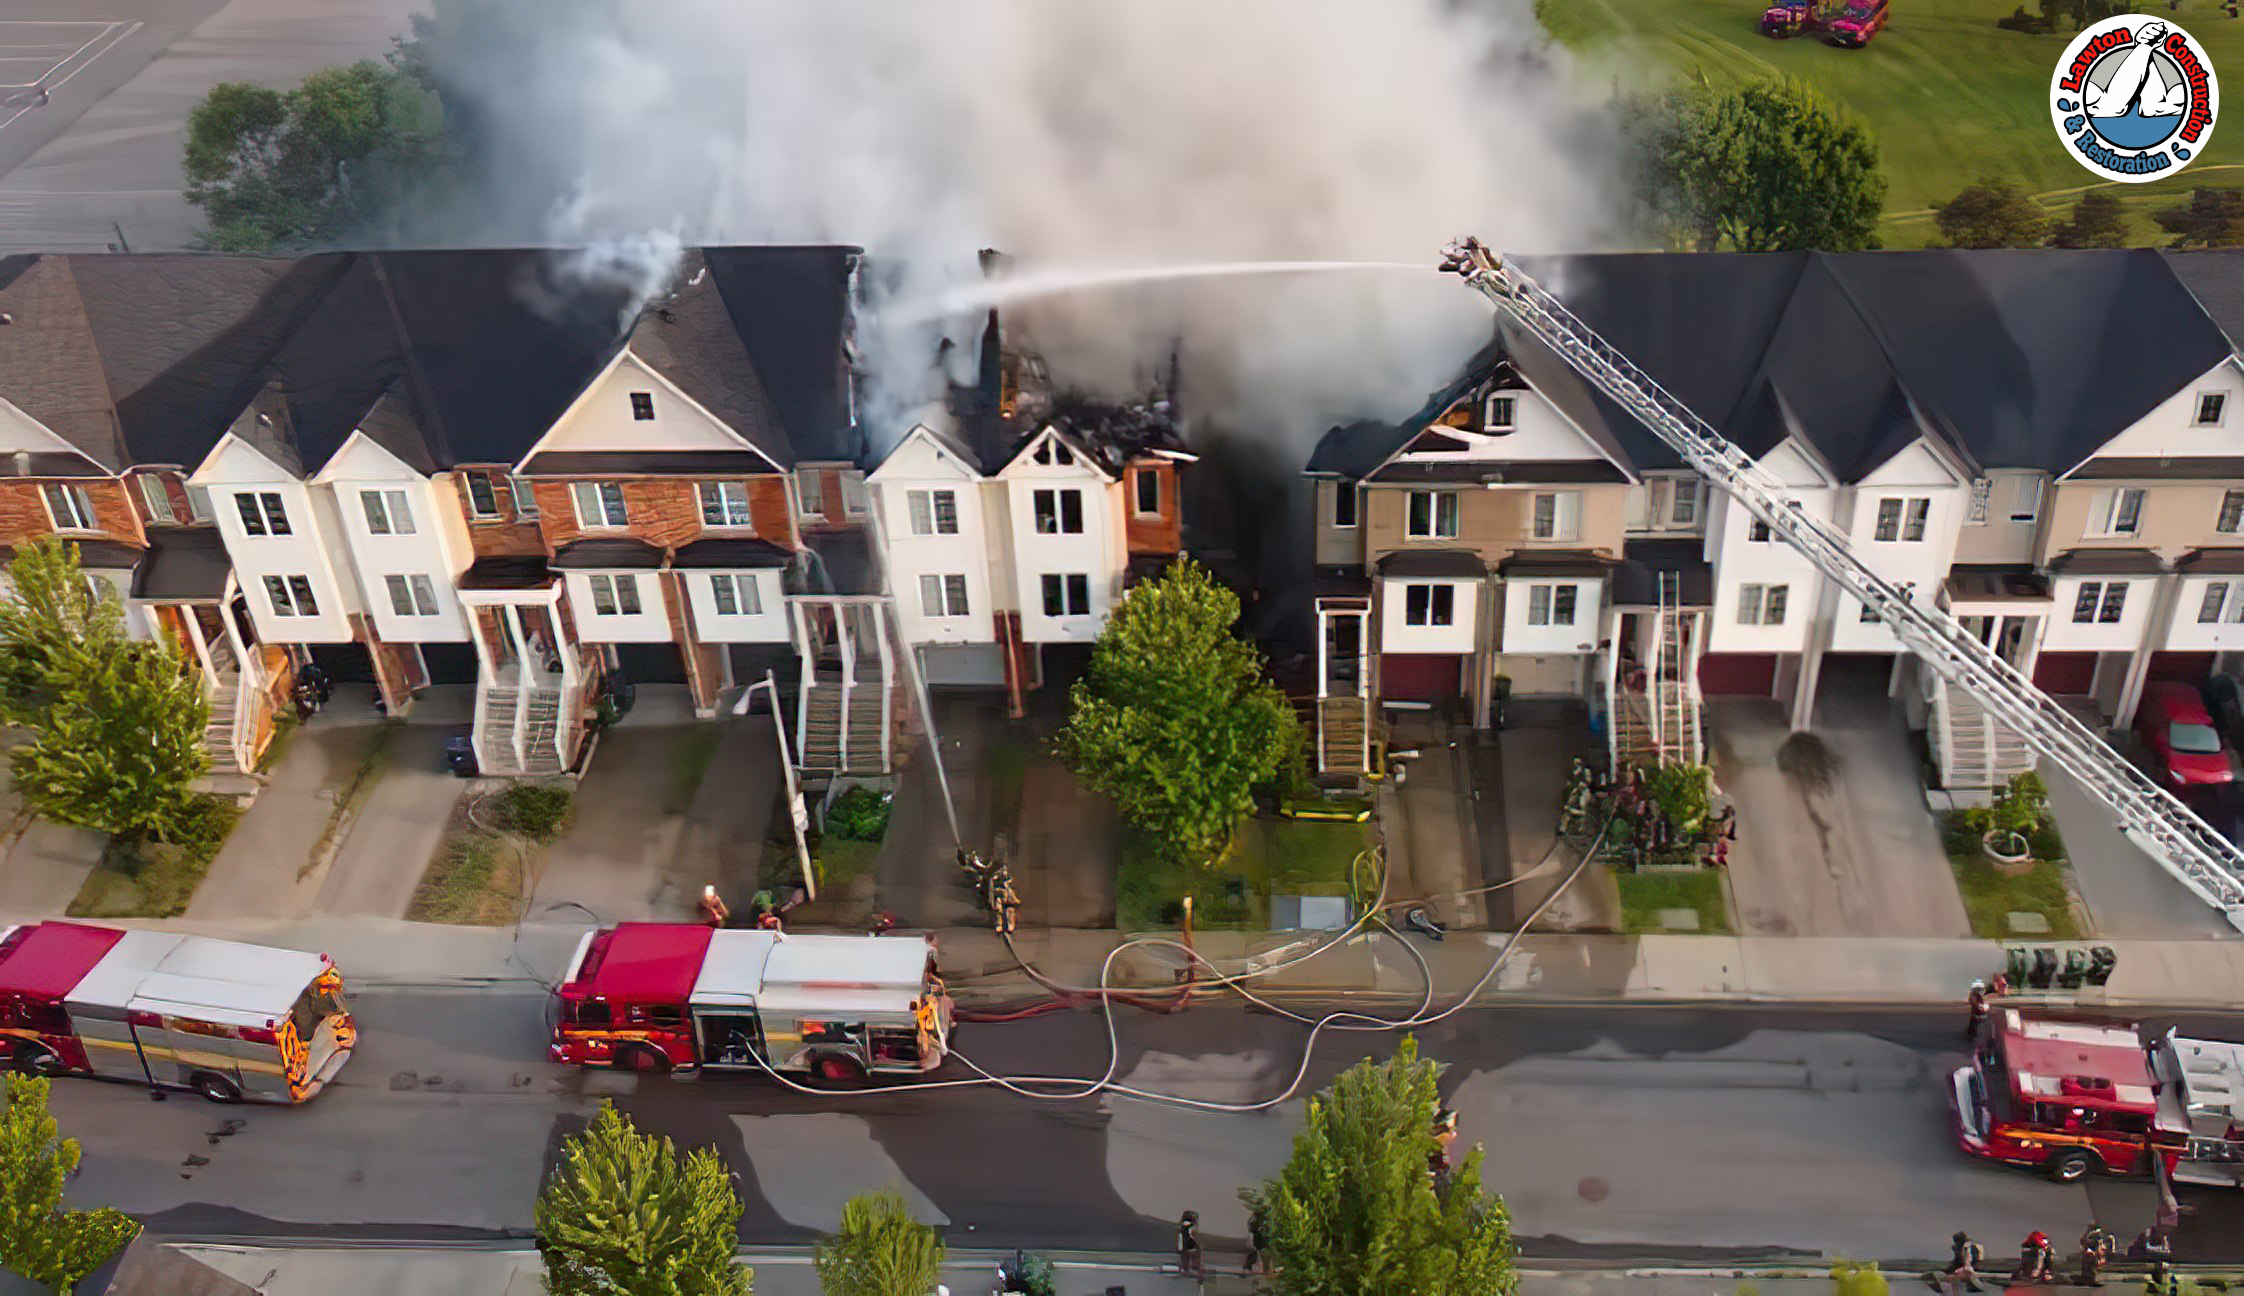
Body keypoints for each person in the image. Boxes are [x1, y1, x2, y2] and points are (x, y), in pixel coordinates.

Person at [2077, 1223, 2113, 1287]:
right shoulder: (2090, 1237)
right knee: (2090, 1266)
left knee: (2092, 1266)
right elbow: (2084, 1243)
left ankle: (2089, 1279)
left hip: (2092, 1253)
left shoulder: (2097, 1237)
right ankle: (2087, 1279)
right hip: (2089, 1253)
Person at [1244, 1205, 1270, 1276]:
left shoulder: (1255, 1220)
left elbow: (1251, 1228)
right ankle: (1265, 1270)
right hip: (1258, 1240)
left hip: (1259, 1240)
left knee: (1257, 1253)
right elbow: (1252, 1229)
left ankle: (1249, 1268)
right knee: (1256, 1253)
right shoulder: (1255, 1220)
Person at [1176, 1210, 1202, 1279]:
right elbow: (1188, 1237)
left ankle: (1186, 1269)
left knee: (1186, 1258)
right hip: (1189, 1246)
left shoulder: (1184, 1226)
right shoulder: (1188, 1226)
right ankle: (1191, 1269)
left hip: (1186, 1246)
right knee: (1191, 1258)